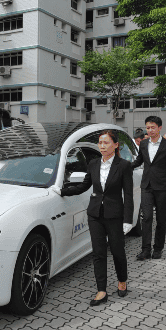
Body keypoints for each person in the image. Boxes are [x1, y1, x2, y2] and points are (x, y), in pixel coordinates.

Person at [51, 130, 133, 306]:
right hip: (95, 214)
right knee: (98, 253)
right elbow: (83, 186)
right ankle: (101, 290)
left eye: (106, 143)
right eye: (100, 143)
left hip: (115, 216)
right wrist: (62, 191)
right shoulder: (94, 163)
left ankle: (122, 281)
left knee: (118, 251)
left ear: (116, 145)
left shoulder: (124, 165)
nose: (102, 146)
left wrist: (127, 220)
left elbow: (128, 194)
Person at [132, 116, 166, 261]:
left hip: (162, 186)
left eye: (152, 127)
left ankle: (158, 249)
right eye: (148, 128)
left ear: (159, 128)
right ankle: (145, 250)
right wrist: (125, 166)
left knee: (160, 219)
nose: (150, 130)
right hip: (146, 185)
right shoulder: (144, 144)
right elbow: (139, 160)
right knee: (146, 218)